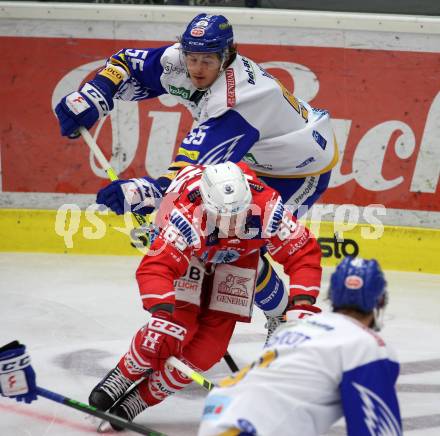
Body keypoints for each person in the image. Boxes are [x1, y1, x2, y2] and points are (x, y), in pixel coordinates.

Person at [54, 13, 337, 339]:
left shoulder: (238, 100)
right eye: (193, 57)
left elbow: (191, 173)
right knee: (222, 237)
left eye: (208, 60)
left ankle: (282, 316)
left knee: (243, 245)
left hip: (298, 168)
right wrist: (93, 94)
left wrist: (144, 195)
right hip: (253, 153)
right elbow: (125, 63)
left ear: (227, 55)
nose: (197, 68)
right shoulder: (181, 60)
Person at [88, 161, 322, 429]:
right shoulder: (187, 213)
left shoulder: (268, 207)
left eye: (240, 214)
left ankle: (140, 400)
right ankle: (123, 374)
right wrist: (162, 313)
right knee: (173, 330)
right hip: (192, 256)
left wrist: (302, 305)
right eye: (225, 216)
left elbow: (302, 254)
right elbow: (157, 267)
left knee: (207, 351)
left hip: (240, 257)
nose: (233, 223)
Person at [198, 256, 402, 436]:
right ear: (380, 300)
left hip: (219, 417)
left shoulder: (293, 330)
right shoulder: (366, 345)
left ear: (332, 295)